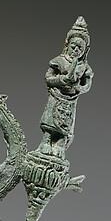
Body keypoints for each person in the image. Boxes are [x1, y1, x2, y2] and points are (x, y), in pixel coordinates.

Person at [40, 16, 94, 157]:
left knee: (66, 123)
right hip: (56, 95)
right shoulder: (59, 60)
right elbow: (48, 78)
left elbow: (87, 84)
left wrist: (78, 88)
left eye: (80, 48)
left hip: (70, 99)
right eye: (73, 46)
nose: (76, 50)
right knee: (50, 121)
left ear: (85, 50)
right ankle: (46, 141)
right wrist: (61, 80)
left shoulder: (84, 67)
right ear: (67, 45)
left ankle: (60, 144)